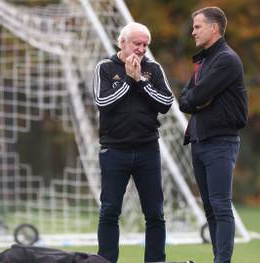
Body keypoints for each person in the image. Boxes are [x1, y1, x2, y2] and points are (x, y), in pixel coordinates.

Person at [92, 22, 174, 263]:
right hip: (114, 150)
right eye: (137, 43)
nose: (141, 49)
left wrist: (141, 81)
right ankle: (105, 260)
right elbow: (102, 102)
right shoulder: (105, 67)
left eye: (145, 44)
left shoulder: (154, 69)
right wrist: (128, 80)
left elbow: (166, 103)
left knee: (155, 214)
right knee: (109, 211)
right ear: (122, 42)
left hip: (148, 149)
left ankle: (155, 260)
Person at [178, 7, 248, 263]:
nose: (193, 31)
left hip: (220, 141)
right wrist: (196, 100)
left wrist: (197, 99)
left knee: (220, 206)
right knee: (209, 208)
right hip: (199, 140)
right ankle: (217, 259)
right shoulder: (204, 60)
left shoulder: (226, 60)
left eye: (197, 26)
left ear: (214, 27)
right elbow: (184, 100)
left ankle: (222, 262)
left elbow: (195, 96)